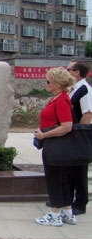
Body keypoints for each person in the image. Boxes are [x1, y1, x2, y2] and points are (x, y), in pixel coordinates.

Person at [34, 67, 76, 226]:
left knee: (55, 180)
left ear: (57, 84)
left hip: (56, 145)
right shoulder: (58, 98)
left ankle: (55, 215)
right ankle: (67, 212)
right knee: (62, 179)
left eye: (48, 81)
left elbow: (67, 126)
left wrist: (44, 135)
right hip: (56, 145)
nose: (46, 83)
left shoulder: (62, 100)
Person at [67, 60, 92, 215]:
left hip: (79, 135)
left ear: (76, 72)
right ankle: (67, 200)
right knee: (68, 169)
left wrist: (79, 135)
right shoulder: (73, 89)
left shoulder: (85, 90)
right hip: (71, 134)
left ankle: (80, 203)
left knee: (79, 170)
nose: (66, 71)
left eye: (68, 69)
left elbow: (87, 114)